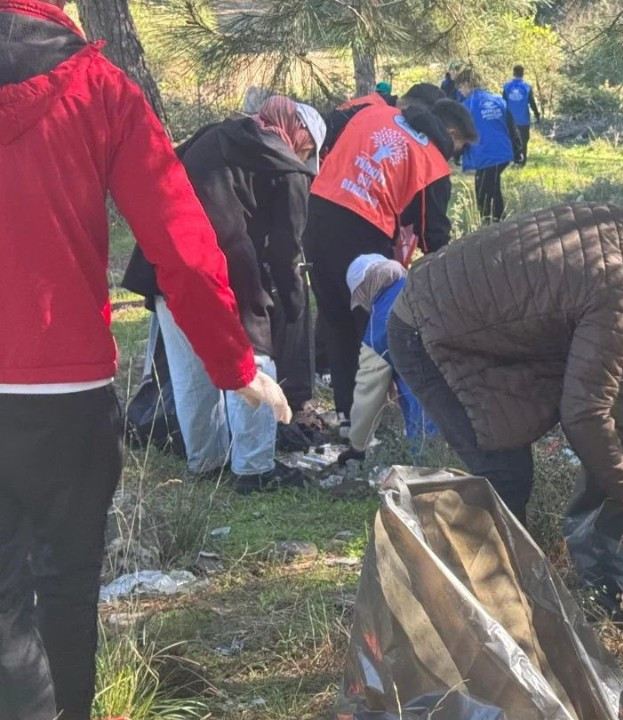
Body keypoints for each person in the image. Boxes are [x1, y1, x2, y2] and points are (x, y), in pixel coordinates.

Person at [0, 2, 290, 718]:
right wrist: (236, 363)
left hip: (58, 383)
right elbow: (183, 247)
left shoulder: (103, 85)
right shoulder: (100, 88)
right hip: (64, 389)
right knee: (66, 590)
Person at [388, 205, 623, 525]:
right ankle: (471, 587)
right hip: (429, 333)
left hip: (448, 304)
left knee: (508, 457)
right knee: (503, 475)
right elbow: (584, 411)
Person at [125, 96, 317, 492]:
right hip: (226, 264)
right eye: (309, 149)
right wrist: (294, 305)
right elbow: (287, 249)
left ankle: (207, 460)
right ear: (299, 135)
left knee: (189, 366)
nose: (305, 156)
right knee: (255, 357)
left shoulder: (211, 136)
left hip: (165, 258)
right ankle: (254, 468)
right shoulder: (289, 167)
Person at [304, 100, 476, 439]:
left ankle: (347, 417)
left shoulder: (374, 113)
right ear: (450, 134)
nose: (456, 157)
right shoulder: (431, 161)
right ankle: (374, 426)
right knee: (376, 333)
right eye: (460, 148)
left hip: (316, 214)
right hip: (363, 234)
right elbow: (433, 235)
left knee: (335, 321)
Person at [337, 255, 436, 466]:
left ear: (365, 289)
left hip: (433, 418)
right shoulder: (425, 283)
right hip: (477, 399)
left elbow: (368, 394)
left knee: (432, 468)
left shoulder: (378, 330)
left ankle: (428, 465)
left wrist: (358, 445)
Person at [454, 66, 517, 223]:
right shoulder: (498, 100)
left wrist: (457, 154)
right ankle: (497, 222)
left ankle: (491, 223)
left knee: (483, 190)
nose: (460, 91)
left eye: (460, 86)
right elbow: (511, 126)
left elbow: (461, 135)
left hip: (486, 153)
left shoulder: (465, 106)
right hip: (503, 153)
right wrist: (518, 148)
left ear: (467, 83)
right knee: (492, 186)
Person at [503, 64, 541, 166]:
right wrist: (537, 115)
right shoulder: (527, 87)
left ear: (513, 73)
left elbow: (503, 103)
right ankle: (522, 162)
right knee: (523, 142)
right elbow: (532, 103)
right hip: (523, 120)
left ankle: (514, 161)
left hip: (510, 120)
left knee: (511, 140)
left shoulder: (507, 87)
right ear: (523, 74)